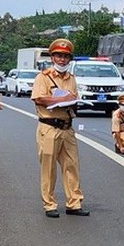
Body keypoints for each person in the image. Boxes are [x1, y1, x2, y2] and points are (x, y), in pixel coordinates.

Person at [30, 38, 90, 218]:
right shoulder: (43, 77)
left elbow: (73, 96)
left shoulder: (71, 78)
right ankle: (49, 204)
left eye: (65, 57)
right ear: (52, 58)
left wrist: (73, 102)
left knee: (72, 166)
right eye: (58, 56)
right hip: (49, 127)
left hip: (67, 127)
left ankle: (74, 203)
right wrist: (60, 100)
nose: (62, 60)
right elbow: (39, 98)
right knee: (48, 168)